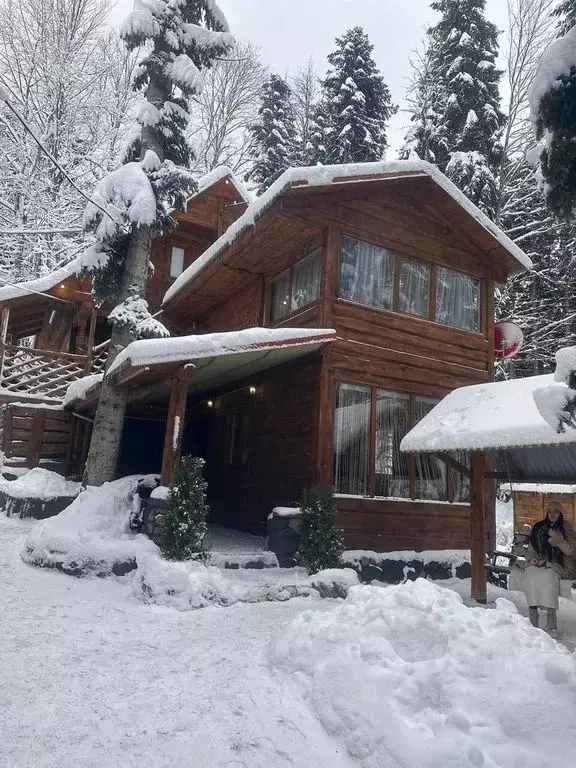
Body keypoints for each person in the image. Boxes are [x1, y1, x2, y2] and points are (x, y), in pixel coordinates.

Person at [521, 501, 576, 636]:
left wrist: (559, 542)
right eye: (550, 511)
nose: (552, 514)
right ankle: (533, 621)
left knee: (548, 576)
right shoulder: (540, 527)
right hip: (542, 564)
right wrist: (532, 559)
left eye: (556, 511)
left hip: (563, 567)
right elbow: (532, 548)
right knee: (530, 573)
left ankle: (551, 625)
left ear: (561, 513)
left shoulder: (567, 528)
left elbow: (572, 552)